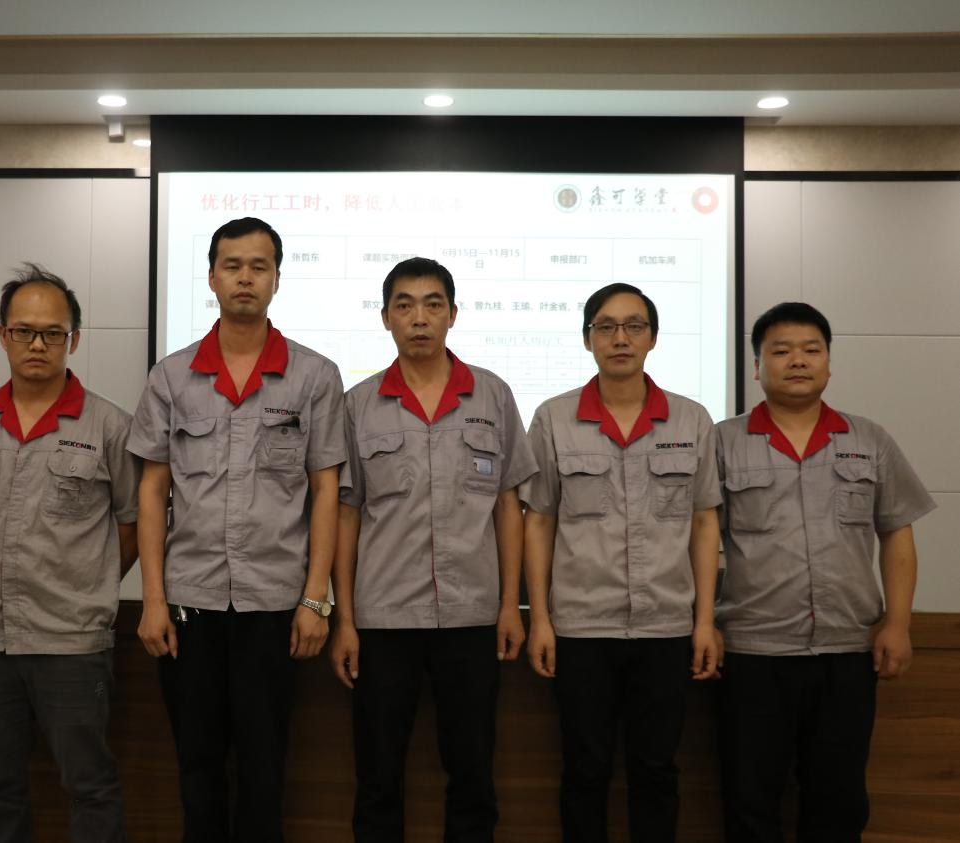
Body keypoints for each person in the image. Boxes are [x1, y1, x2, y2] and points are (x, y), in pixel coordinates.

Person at [127, 216, 345, 842]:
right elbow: (152, 490)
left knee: (264, 767)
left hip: (274, 605)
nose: (245, 278)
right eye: (232, 266)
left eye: (258, 266)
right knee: (196, 765)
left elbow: (326, 490)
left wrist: (315, 599)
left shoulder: (313, 376)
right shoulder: (172, 377)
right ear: (212, 278)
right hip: (189, 605)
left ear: (276, 278)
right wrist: (152, 599)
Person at [0, 264, 140, 843]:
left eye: (52, 333)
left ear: (74, 339)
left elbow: (133, 525)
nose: (37, 344)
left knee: (89, 785)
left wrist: (91, 584)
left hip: (72, 640)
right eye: (24, 331)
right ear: (3, 335)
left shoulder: (110, 426)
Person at [330, 257, 537, 842]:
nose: (418, 318)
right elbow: (347, 513)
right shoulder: (359, 404)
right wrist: (344, 620)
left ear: (452, 314)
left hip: (472, 618)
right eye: (404, 305)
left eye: (432, 304)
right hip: (383, 619)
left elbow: (508, 506)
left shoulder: (492, 395)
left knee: (473, 777)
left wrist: (509, 607)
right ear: (385, 318)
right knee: (377, 779)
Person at [716, 302, 935, 843]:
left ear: (829, 363)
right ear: (757, 366)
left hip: (846, 650)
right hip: (753, 651)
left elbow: (897, 534)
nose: (798, 360)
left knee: (838, 800)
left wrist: (898, 624)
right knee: (749, 798)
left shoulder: (869, 440)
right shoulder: (722, 442)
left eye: (811, 350)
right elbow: (696, 540)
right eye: (781, 351)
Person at [521, 282, 721, 843]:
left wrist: (705, 622)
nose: (620, 338)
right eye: (606, 327)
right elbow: (538, 522)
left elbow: (704, 523)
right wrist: (540, 619)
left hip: (665, 627)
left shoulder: (691, 420)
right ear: (587, 339)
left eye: (634, 326)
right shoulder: (554, 418)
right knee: (584, 771)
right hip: (582, 628)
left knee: (657, 771)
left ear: (653, 338)